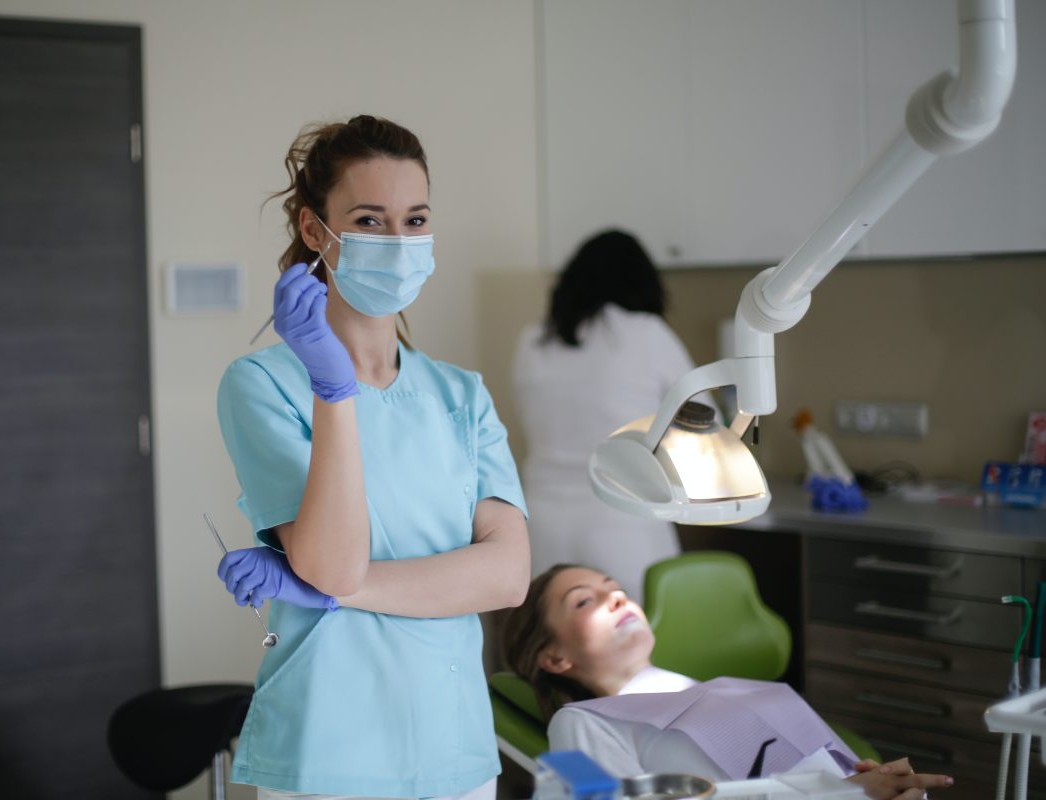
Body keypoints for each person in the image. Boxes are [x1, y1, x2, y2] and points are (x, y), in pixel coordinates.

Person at [214, 115, 531, 800]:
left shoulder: (460, 395)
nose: (398, 241)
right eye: (369, 219)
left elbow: (506, 577)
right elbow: (335, 562)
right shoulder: (263, 385)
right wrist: (333, 389)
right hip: (330, 750)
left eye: (415, 220)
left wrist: (325, 592)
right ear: (314, 231)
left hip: (454, 748)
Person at [500, 565, 953, 800]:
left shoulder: (708, 690)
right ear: (553, 657)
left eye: (614, 586)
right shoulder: (581, 723)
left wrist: (874, 787)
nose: (616, 596)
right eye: (584, 601)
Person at [511, 231, 701, 602]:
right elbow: (703, 427)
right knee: (635, 650)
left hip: (542, 528)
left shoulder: (532, 342)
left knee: (553, 649)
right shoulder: (648, 334)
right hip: (623, 524)